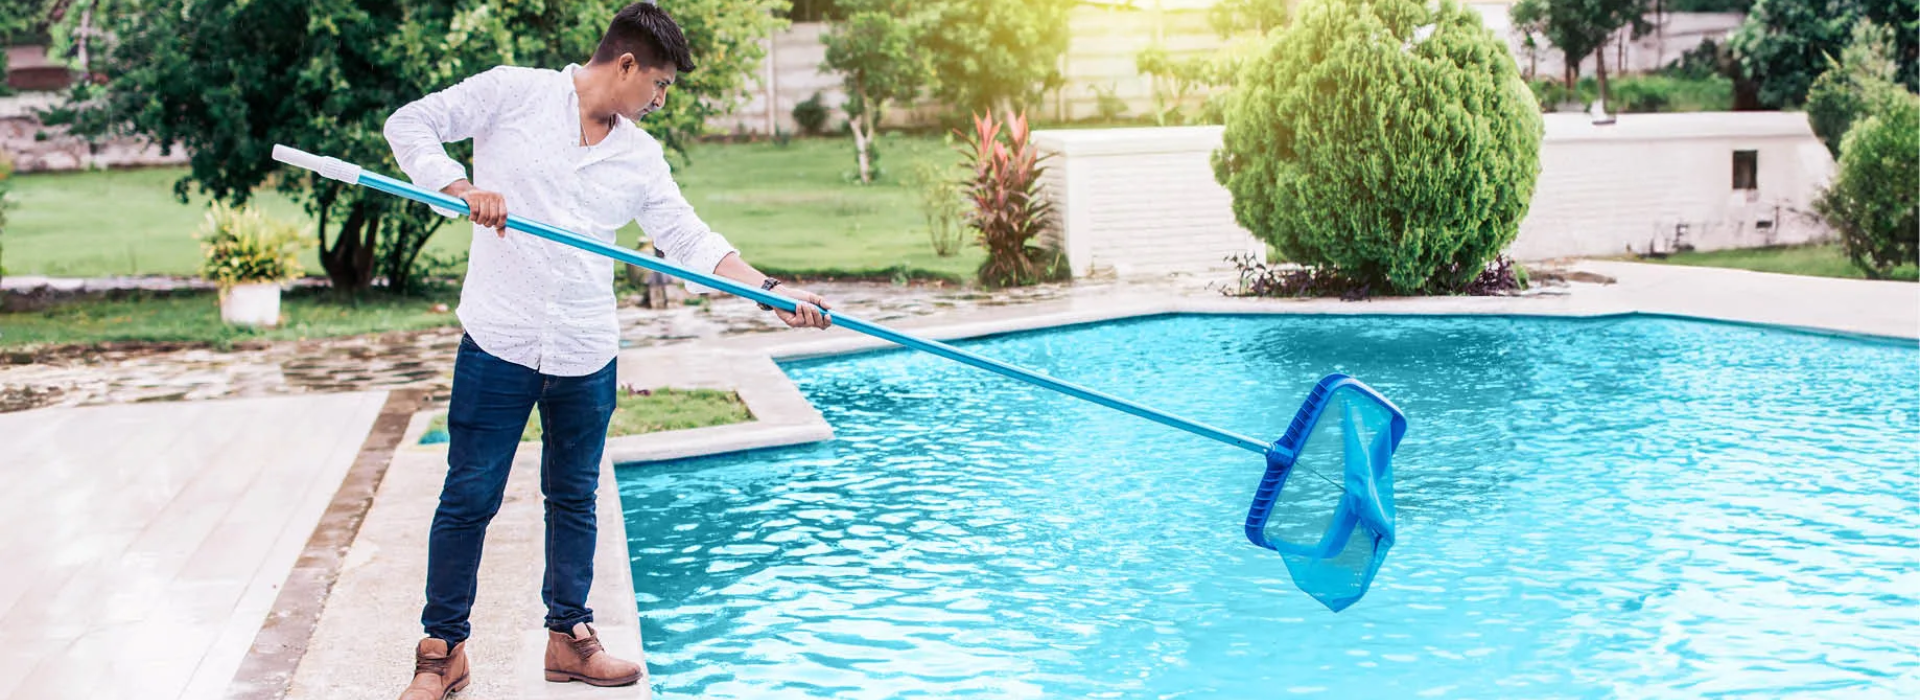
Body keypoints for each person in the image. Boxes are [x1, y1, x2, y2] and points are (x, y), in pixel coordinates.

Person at [381, 3, 832, 697]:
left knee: (575, 497)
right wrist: (460, 188)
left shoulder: (638, 156)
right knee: (468, 497)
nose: (658, 100)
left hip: (585, 349)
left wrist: (768, 291)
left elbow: (687, 239)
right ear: (625, 65)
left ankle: (570, 639)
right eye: (658, 85)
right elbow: (409, 124)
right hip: (499, 338)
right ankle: (443, 651)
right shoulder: (513, 93)